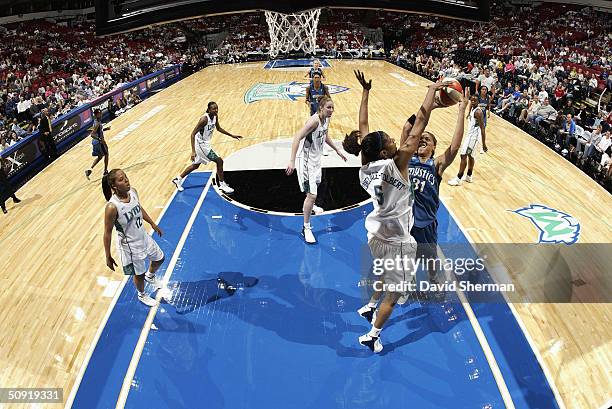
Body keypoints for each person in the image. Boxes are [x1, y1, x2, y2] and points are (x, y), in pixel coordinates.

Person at [342, 70, 445, 353]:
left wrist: (365, 93)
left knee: (384, 274)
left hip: (375, 235)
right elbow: (419, 124)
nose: (392, 139)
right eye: (389, 139)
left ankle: (369, 305)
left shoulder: (365, 168)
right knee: (396, 292)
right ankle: (372, 335)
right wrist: (432, 93)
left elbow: (364, 131)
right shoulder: (396, 165)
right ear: (386, 152)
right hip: (397, 241)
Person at [407, 87, 470, 283]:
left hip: (426, 222)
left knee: (430, 258)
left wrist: (461, 111)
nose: (423, 139)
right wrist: (430, 105)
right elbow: (414, 126)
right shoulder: (407, 159)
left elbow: (455, 146)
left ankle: (434, 276)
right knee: (405, 258)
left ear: (434, 147)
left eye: (428, 139)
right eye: (421, 138)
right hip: (406, 220)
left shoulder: (436, 165)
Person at [286, 95, 346, 244]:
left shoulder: (327, 118)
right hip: (305, 161)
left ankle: (312, 206)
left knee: (316, 185)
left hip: (316, 160)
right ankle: (306, 227)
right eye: (328, 107)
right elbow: (296, 137)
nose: (331, 110)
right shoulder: (313, 121)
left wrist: (337, 149)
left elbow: (325, 135)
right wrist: (292, 161)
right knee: (312, 195)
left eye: (332, 107)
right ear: (321, 108)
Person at [103, 169, 164, 307]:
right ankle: (142, 295)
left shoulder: (133, 192)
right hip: (130, 246)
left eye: (125, 177)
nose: (126, 180)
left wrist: (152, 223)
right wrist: (108, 256)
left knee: (160, 258)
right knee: (139, 274)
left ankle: (151, 276)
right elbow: (107, 233)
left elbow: (139, 208)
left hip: (143, 236)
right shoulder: (112, 207)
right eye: (121, 179)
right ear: (114, 186)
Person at [172, 102, 243, 194]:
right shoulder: (204, 119)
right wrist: (193, 151)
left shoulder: (215, 116)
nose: (216, 110)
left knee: (196, 165)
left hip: (205, 144)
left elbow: (219, 128)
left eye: (217, 108)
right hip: (201, 144)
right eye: (214, 109)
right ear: (209, 109)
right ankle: (222, 185)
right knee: (219, 161)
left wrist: (232, 135)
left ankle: (178, 179)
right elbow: (193, 134)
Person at [448, 94, 488, 186]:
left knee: (463, 155)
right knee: (471, 156)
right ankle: (469, 176)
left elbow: (482, 128)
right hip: (470, 136)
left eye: (475, 100)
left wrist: (484, 144)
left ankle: (458, 178)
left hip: (473, 138)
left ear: (478, 101)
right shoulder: (473, 108)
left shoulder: (478, 112)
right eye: (472, 100)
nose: (473, 102)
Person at [85, 109, 110, 180]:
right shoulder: (97, 123)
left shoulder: (97, 121)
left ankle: (89, 170)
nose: (101, 114)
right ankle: (105, 171)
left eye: (101, 113)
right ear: (96, 115)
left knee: (100, 157)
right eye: (99, 113)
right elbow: (92, 134)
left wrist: (105, 129)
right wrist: (100, 140)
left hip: (95, 142)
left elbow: (98, 131)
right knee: (106, 154)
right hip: (99, 142)